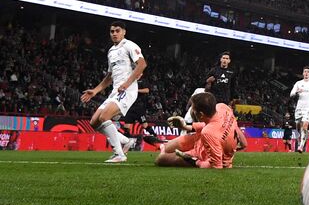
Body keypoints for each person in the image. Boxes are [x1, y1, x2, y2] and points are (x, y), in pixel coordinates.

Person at [81, 21, 147, 163]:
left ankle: (119, 154)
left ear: (124, 32)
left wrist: (127, 83)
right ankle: (125, 140)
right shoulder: (111, 51)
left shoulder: (129, 45)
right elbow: (109, 76)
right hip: (116, 91)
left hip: (128, 90)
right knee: (94, 122)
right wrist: (95, 91)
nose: (114, 33)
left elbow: (142, 64)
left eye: (117, 31)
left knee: (104, 117)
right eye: (112, 31)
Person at [155, 92, 247, 168]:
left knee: (160, 159)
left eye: (194, 109)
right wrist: (185, 127)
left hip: (202, 154)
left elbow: (216, 166)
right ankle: (162, 145)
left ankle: (162, 147)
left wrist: (194, 161)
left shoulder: (208, 132)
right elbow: (217, 124)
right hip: (201, 140)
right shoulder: (222, 107)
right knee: (167, 148)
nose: (192, 112)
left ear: (201, 114)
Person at [122, 75, 164, 147]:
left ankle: (155, 136)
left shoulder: (143, 81)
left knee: (145, 125)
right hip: (130, 107)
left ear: (141, 73)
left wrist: (136, 90)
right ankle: (127, 144)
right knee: (126, 127)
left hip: (139, 108)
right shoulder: (131, 80)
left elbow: (147, 90)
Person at [290, 66, 309, 153]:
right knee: (298, 127)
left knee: (305, 126)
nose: (306, 73)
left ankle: (301, 146)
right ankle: (299, 142)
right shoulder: (298, 83)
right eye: (305, 71)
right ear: (303, 73)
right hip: (299, 107)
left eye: (308, 72)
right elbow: (291, 94)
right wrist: (297, 92)